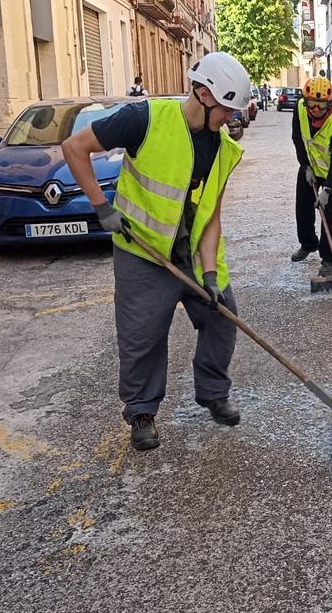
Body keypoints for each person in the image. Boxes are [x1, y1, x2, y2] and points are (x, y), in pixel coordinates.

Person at [62, 52, 253, 451]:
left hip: (191, 252)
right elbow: (74, 147)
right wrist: (101, 207)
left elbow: (211, 216)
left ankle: (213, 392)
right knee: (142, 336)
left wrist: (212, 276)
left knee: (222, 316)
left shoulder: (222, 148)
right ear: (203, 94)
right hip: (143, 252)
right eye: (226, 109)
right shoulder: (144, 119)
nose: (231, 118)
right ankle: (142, 411)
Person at [290, 76, 332, 277]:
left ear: (329, 103)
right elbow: (298, 138)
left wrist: (327, 189)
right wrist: (305, 165)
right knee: (303, 207)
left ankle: (328, 260)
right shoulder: (300, 109)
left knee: (329, 215)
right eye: (312, 105)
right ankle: (308, 244)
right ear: (306, 101)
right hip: (309, 167)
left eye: (321, 106)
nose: (316, 110)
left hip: (330, 173)